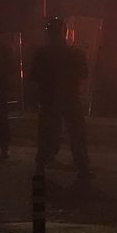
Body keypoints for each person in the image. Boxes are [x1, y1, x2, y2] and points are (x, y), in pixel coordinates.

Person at [31, 16, 93, 179]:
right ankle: (83, 167)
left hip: (49, 98)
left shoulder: (42, 53)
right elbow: (84, 74)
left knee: (46, 132)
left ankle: (41, 164)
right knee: (76, 134)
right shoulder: (75, 53)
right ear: (65, 33)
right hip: (70, 98)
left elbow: (34, 76)